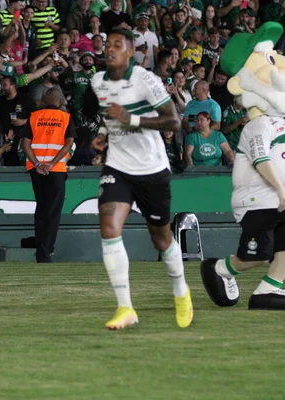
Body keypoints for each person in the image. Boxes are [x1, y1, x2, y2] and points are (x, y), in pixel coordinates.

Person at [89, 28, 193, 330]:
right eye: (107, 44)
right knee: (109, 227)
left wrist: (131, 119)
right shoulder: (98, 81)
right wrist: (102, 135)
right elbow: (111, 116)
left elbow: (174, 120)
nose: (109, 49)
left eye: (117, 45)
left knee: (161, 238)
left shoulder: (146, 80)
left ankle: (181, 291)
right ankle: (125, 308)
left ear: (131, 50)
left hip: (152, 168)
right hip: (118, 166)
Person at [201, 22, 285, 311]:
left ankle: (267, 290)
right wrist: (278, 189)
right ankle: (219, 270)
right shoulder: (257, 126)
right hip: (260, 201)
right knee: (257, 255)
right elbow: (261, 159)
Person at [22, 88, 77, 263]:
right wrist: (52, 163)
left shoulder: (33, 116)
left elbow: (25, 144)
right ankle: (45, 253)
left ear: (45, 100)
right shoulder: (66, 118)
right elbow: (69, 144)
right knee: (53, 212)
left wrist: (38, 164)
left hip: (36, 170)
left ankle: (41, 249)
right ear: (60, 101)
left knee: (41, 209)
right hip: (57, 170)